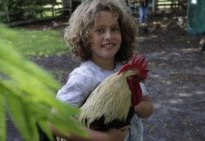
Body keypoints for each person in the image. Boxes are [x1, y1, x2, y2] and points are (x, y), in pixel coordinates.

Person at [52, 0, 153, 140]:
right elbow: (55, 122)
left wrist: (131, 103)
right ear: (85, 38)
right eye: (100, 30)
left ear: (123, 33)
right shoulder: (84, 77)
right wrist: (105, 138)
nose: (109, 36)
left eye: (114, 29)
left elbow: (147, 107)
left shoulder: (126, 73)